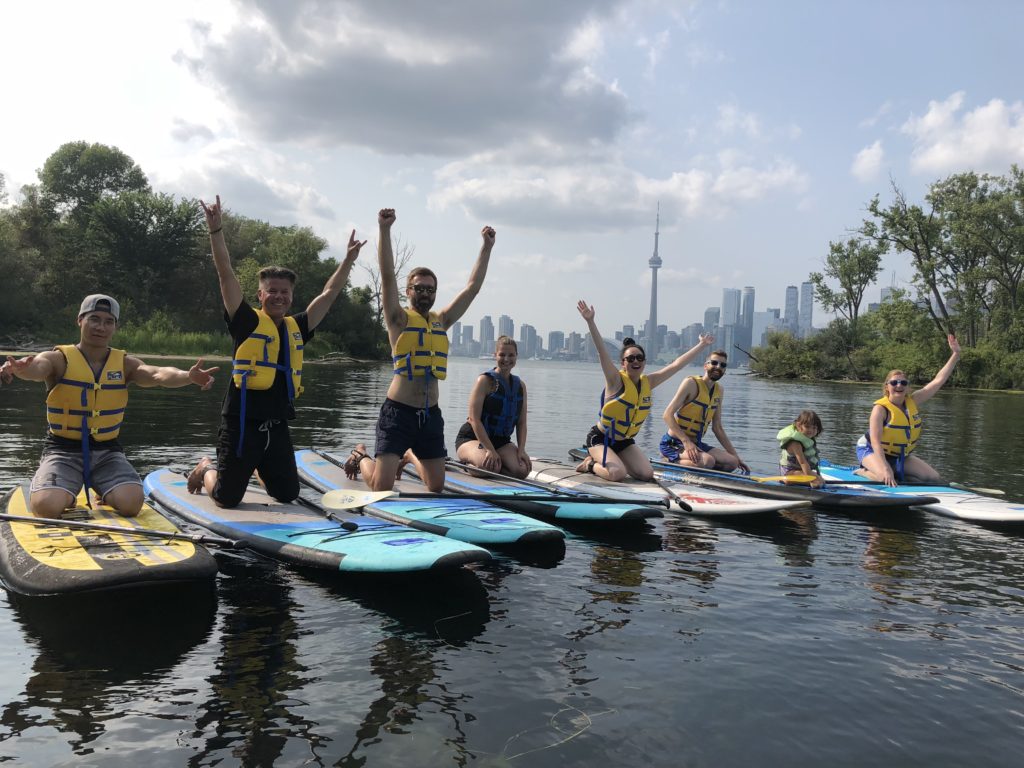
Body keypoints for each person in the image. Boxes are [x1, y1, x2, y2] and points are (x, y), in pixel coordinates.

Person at [187, 195, 366, 507]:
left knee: (287, 495)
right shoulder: (245, 321)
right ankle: (206, 470)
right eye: (272, 291)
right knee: (226, 499)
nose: (279, 296)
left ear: (292, 296)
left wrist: (348, 261)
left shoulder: (297, 327)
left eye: (285, 292)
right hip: (240, 425)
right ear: (260, 294)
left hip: (277, 426)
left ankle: (255, 468)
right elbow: (225, 273)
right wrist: (216, 231)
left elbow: (330, 293)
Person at [0, 294, 218, 518]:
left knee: (132, 504)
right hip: (63, 450)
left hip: (107, 452)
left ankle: (100, 490)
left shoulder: (125, 364)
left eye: (108, 321)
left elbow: (158, 374)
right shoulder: (58, 359)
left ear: (115, 326)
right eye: (94, 319)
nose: (100, 327)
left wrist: (188, 376)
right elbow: (37, 367)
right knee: (46, 507)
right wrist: (20, 370)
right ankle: (61, 490)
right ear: (80, 320)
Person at [344, 208, 496, 493]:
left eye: (430, 289)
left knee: (436, 486)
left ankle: (410, 454)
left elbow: (472, 288)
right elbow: (387, 275)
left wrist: (486, 247)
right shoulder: (398, 320)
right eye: (419, 288)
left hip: (430, 414)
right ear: (408, 291)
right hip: (398, 413)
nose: (425, 293)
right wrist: (384, 230)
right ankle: (361, 454)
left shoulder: (441, 321)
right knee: (381, 487)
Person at [575, 300, 714, 482]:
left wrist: (702, 345)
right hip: (601, 438)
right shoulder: (615, 380)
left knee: (646, 474)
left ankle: (611, 460)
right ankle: (590, 464)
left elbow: (676, 365)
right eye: (630, 358)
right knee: (618, 474)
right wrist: (590, 321)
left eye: (639, 357)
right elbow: (602, 352)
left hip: (623, 441)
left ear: (644, 361)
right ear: (623, 363)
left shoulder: (648, 382)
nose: (635, 361)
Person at [856, 333, 960, 486]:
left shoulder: (913, 400)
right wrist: (885, 468)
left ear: (907, 387)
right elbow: (876, 442)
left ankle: (897, 474)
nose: (899, 385)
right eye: (894, 382)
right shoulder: (880, 409)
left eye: (903, 382)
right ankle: (863, 471)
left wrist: (955, 354)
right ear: (887, 386)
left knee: (933, 478)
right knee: (882, 478)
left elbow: (938, 381)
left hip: (899, 455)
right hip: (871, 450)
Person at [659, 347, 750, 473]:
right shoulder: (691, 383)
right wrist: (686, 442)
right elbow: (667, 415)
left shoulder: (719, 391)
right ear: (705, 366)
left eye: (722, 365)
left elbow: (717, 427)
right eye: (714, 363)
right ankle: (668, 459)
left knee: (732, 462)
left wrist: (736, 456)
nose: (718, 367)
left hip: (697, 444)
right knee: (708, 461)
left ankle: (702, 467)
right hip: (674, 443)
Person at [455, 336, 531, 478]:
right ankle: (465, 464)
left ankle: (498, 464)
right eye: (502, 354)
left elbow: (521, 423)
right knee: (488, 467)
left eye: (511, 355)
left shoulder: (520, 386)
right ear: (495, 355)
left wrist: (521, 450)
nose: (506, 359)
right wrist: (489, 449)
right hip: (472, 438)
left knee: (522, 470)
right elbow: (474, 419)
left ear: (516, 356)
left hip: (501, 441)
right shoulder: (484, 381)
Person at [777, 410, 825, 487]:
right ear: (799, 425)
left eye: (814, 428)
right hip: (789, 472)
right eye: (807, 426)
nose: (811, 430)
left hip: (799, 471)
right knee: (818, 481)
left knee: (820, 480)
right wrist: (812, 479)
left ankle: (813, 482)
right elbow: (803, 463)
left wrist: (817, 476)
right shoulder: (795, 443)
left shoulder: (807, 439)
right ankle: (786, 480)